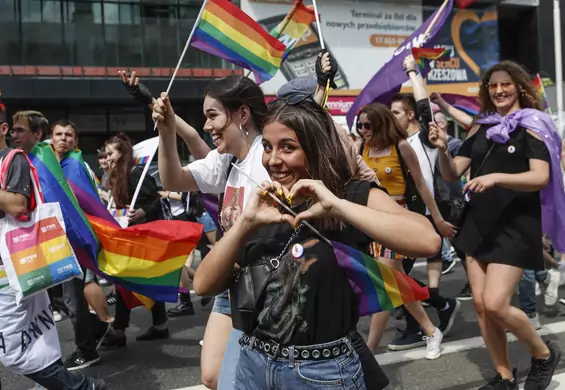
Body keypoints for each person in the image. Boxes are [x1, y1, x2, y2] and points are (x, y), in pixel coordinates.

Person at [192, 97, 441, 389]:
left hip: (321, 373)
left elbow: (427, 240)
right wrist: (246, 224)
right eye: (268, 147)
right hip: (253, 365)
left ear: (314, 149)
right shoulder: (263, 206)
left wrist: (336, 206)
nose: (273, 160)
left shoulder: (348, 195)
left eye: (288, 147)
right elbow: (203, 285)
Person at [431, 60, 562, 389]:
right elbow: (451, 173)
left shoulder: (532, 124)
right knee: (481, 306)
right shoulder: (481, 124)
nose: (499, 90)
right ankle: (505, 376)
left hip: (516, 224)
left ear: (518, 86)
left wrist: (496, 178)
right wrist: (444, 149)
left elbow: (540, 176)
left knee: (496, 303)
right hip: (477, 224)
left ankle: (543, 353)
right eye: (492, 86)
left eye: (505, 84)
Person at [2, 109, 105, 389]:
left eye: (21, 130)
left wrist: (88, 238)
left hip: (60, 243)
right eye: (58, 134)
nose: (15, 134)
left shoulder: (61, 163)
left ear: (36, 135)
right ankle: (95, 332)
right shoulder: (38, 159)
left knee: (72, 300)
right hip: (38, 246)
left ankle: (88, 350)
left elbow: (81, 204)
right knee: (49, 310)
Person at [356, 103, 458, 357]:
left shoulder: (401, 147)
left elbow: (422, 186)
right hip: (372, 220)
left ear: (380, 123)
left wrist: (437, 220)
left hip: (398, 219)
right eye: (360, 125)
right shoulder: (361, 148)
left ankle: (370, 351)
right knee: (395, 283)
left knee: (385, 283)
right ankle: (432, 328)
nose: (363, 130)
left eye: (368, 125)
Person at [101, 133, 169, 347]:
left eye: (111, 153)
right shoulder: (118, 175)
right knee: (136, 281)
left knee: (126, 280)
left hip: (143, 235)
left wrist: (142, 212)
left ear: (123, 153)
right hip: (130, 236)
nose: (108, 157)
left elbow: (157, 201)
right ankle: (159, 325)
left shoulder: (136, 173)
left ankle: (120, 329)